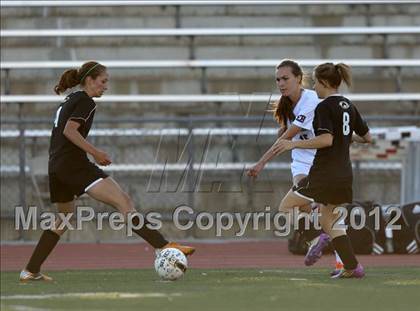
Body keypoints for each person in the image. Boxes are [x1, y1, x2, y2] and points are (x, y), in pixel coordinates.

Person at [19, 61, 195, 282]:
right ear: (90, 80)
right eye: (103, 81)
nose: (105, 86)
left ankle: (30, 270)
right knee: (124, 202)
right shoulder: (85, 101)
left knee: (63, 219)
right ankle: (164, 246)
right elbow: (69, 131)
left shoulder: (70, 100)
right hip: (74, 166)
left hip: (56, 166)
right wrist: (96, 153)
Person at [272, 62, 372, 278]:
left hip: (324, 174)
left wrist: (294, 144)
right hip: (344, 174)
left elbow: (326, 140)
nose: (314, 86)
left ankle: (316, 238)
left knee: (286, 207)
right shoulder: (349, 105)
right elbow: (367, 138)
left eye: (316, 82)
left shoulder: (324, 107)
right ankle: (353, 267)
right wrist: (347, 139)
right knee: (330, 221)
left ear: (325, 83)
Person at [246, 59, 343, 271]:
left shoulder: (310, 100)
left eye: (285, 78)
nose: (281, 83)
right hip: (300, 164)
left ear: (299, 79)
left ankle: (328, 248)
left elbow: (286, 140)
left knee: (301, 210)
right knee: (305, 210)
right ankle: (320, 241)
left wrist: (261, 163)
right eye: (278, 79)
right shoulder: (286, 104)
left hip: (319, 162)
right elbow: (285, 135)